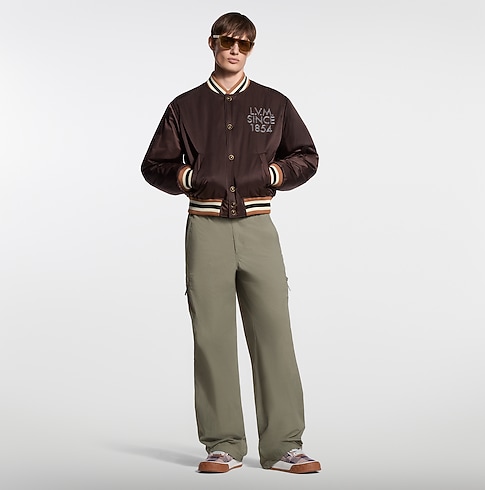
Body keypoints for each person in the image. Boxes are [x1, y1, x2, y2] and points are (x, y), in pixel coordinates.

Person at [141, 12, 321, 474]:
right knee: (212, 337)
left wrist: (274, 173)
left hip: (259, 229)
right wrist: (188, 177)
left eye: (244, 43)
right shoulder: (185, 106)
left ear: (251, 48)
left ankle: (284, 445)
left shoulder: (273, 103)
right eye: (227, 41)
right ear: (212, 44)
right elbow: (154, 165)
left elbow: (306, 156)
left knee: (274, 334)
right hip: (206, 232)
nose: (235, 49)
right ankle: (223, 444)